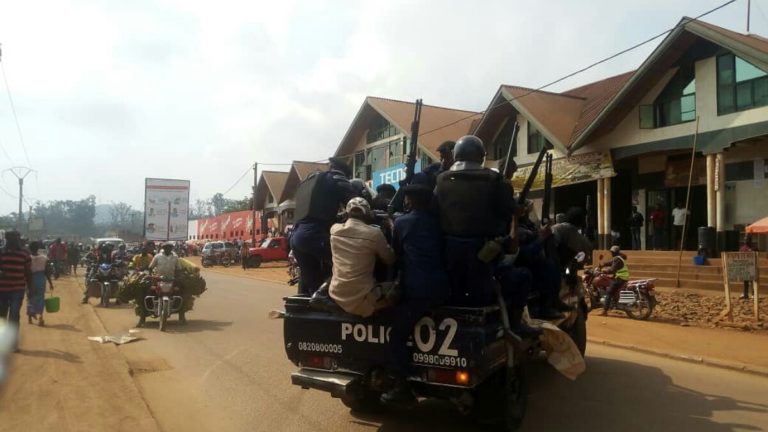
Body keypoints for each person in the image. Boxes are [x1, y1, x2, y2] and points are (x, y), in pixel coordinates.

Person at [434, 135, 532, 334]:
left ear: (456, 155)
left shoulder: (442, 179)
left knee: (457, 296)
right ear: (480, 156)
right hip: (486, 252)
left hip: (450, 251)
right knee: (519, 278)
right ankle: (515, 325)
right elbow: (507, 214)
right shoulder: (495, 180)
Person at [382, 184, 449, 405]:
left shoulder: (402, 222)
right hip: (442, 288)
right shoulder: (439, 222)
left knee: (397, 335)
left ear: (409, 201)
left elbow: (396, 254)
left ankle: (402, 386)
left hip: (417, 291)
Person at [290, 157, 358, 295]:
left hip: (295, 238)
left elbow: (315, 211)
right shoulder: (337, 177)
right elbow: (356, 203)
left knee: (312, 281)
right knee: (349, 262)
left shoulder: (308, 181)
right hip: (313, 235)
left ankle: (310, 301)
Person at [328, 198, 396, 317]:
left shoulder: (334, 229)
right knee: (397, 289)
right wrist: (392, 226)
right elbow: (390, 259)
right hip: (361, 299)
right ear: (367, 214)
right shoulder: (374, 233)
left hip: (336, 294)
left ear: (347, 213)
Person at [0, 231, 32, 351]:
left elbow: (28, 272)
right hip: (2, 289)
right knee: (2, 316)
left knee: (14, 315)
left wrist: (31, 289)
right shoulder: (1, 252)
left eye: (16, 238)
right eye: (11, 238)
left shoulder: (25, 253)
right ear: (7, 239)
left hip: (18, 290)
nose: (14, 241)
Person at [146, 243, 185, 326]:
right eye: (166, 248)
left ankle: (182, 314)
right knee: (149, 292)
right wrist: (150, 275)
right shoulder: (157, 256)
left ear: (171, 249)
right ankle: (146, 312)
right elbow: (150, 267)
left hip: (172, 280)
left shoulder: (175, 257)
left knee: (181, 294)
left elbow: (178, 268)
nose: (168, 249)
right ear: (163, 248)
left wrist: (179, 277)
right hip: (158, 279)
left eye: (170, 248)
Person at [27, 241, 54, 327]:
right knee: (41, 298)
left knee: (30, 297)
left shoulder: (28, 258)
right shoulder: (44, 258)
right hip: (41, 279)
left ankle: (30, 317)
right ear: (38, 248)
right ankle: (40, 318)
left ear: (29, 248)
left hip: (31, 279)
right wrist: (50, 283)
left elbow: (26, 272)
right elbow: (47, 272)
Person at [601, 245, 629, 316]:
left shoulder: (617, 259)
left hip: (620, 278)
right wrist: (603, 264)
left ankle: (605, 311)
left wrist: (605, 271)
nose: (611, 253)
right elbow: (610, 262)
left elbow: (612, 270)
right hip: (623, 278)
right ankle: (613, 304)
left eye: (612, 252)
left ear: (613, 252)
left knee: (609, 292)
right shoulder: (618, 258)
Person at [740, 235, 757, 300]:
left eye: (747, 239)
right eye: (745, 240)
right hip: (745, 268)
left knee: (753, 281)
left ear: (750, 240)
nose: (746, 241)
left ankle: (753, 294)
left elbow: (757, 255)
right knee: (745, 282)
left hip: (752, 267)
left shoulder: (754, 248)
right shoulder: (742, 248)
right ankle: (745, 294)